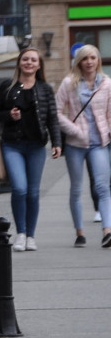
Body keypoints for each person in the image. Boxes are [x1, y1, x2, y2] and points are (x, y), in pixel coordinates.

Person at [0, 47, 62, 252]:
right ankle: (20, 233)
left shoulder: (45, 88)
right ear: (19, 62)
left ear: (39, 65)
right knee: (19, 188)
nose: (29, 62)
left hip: (36, 145)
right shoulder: (7, 87)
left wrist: (57, 143)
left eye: (33, 60)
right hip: (12, 144)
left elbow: (52, 119)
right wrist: (8, 115)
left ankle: (31, 235)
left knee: (33, 192)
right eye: (25, 59)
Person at [55, 45, 111, 248]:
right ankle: (79, 232)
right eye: (85, 58)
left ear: (98, 60)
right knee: (76, 189)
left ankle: (107, 230)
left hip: (99, 143)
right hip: (76, 144)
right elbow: (57, 112)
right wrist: (74, 130)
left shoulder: (106, 83)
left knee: (103, 187)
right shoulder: (69, 83)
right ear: (79, 61)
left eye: (93, 57)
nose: (89, 61)